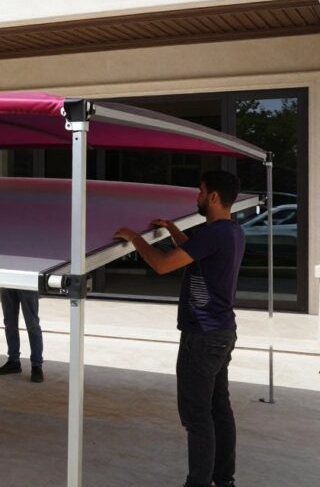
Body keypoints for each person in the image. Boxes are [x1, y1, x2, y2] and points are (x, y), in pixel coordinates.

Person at [113, 170, 244, 487]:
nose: (196, 198)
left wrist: (135, 238)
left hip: (201, 336)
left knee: (197, 416)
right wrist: (172, 229)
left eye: (199, 192)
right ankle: (223, 479)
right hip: (222, 332)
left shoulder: (212, 234)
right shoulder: (231, 232)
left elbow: (162, 265)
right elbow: (195, 252)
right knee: (219, 408)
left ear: (212, 196)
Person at [0, 288, 44, 382]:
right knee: (9, 323)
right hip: (7, 282)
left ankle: (36, 366)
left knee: (32, 324)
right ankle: (13, 361)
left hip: (27, 282)